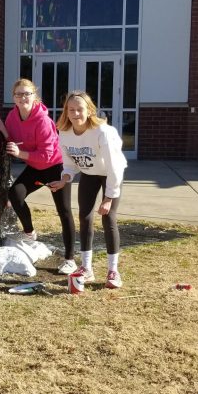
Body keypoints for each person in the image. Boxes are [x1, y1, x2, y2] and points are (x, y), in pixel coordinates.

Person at [0, 79, 77, 274]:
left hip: (55, 167)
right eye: (18, 94)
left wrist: (20, 154)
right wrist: (2, 128)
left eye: (26, 93)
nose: (22, 98)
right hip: (35, 167)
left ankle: (70, 259)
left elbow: (45, 154)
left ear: (35, 96)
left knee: (64, 211)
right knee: (15, 195)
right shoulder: (12, 116)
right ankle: (30, 233)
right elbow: (14, 139)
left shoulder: (43, 120)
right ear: (14, 98)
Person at [47, 92, 127, 288]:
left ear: (89, 110)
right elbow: (69, 165)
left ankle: (113, 271)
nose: (75, 114)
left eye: (80, 109)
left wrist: (108, 198)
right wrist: (63, 180)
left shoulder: (102, 132)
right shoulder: (64, 132)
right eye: (71, 110)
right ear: (66, 112)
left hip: (110, 173)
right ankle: (86, 268)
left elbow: (114, 167)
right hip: (89, 174)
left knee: (108, 217)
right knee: (85, 217)